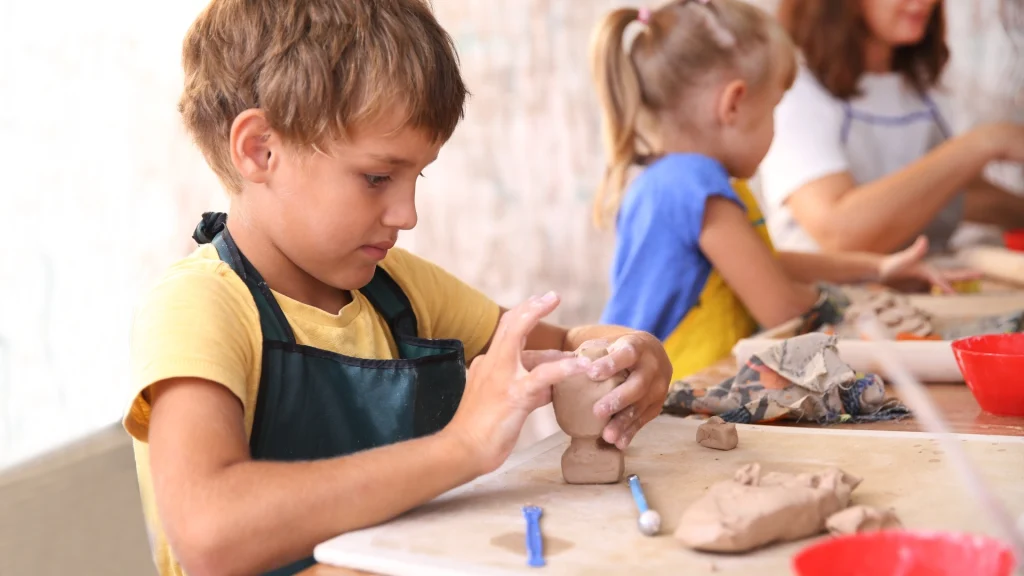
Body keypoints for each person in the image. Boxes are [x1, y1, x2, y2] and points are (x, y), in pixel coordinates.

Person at [123, 2, 672, 575]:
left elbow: (568, 344)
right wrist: (461, 449)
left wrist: (633, 351)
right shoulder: (199, 307)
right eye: (378, 178)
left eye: (418, 176)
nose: (407, 214)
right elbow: (210, 534)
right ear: (261, 149)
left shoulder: (400, 291)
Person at [589, 0, 962, 382]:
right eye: (773, 108)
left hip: (678, 385)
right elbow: (780, 306)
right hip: (663, 398)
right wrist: (853, 303)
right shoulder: (695, 185)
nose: (776, 129)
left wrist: (875, 267)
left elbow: (765, 262)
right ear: (733, 104)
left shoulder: (678, 179)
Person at [758, 0, 1024, 254]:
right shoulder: (795, 89)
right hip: (836, 295)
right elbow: (838, 235)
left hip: (931, 284)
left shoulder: (923, 82)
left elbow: (952, 194)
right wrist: (984, 143)